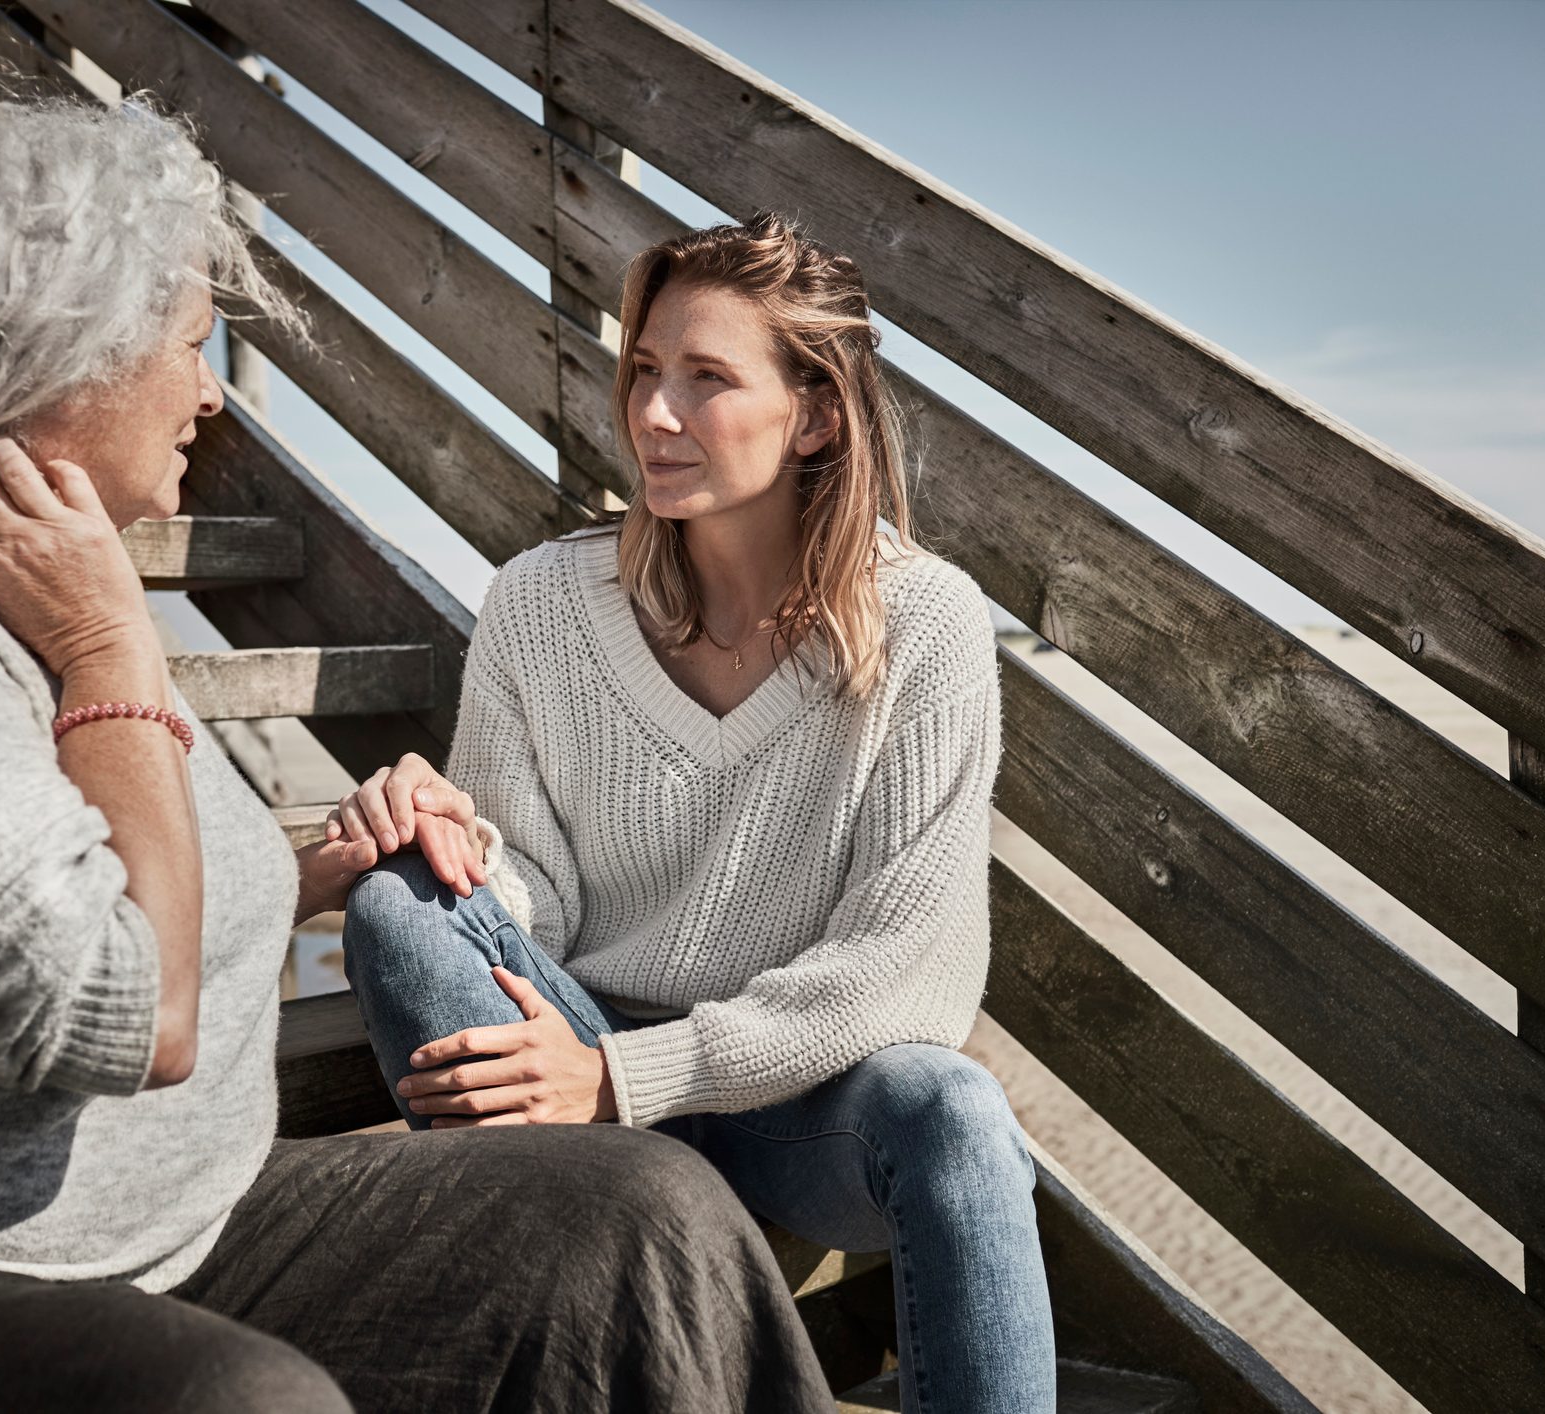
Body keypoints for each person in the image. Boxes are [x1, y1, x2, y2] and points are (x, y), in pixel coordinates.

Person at [0, 55, 828, 1414]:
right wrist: (110, 650)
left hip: (182, 1240)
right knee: (241, 1403)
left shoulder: (37, 559)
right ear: (59, 352)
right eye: (187, 346)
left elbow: (113, 858)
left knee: (643, 1218)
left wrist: (320, 865)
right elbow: (122, 1010)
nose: (210, 397)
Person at [337, 215, 1058, 1413]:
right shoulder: (541, 602)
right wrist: (446, 838)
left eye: (707, 378)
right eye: (643, 373)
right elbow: (534, 902)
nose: (654, 414)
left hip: (795, 1106)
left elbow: (905, 976)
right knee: (398, 905)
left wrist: (627, 1075)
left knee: (957, 1109)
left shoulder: (926, 624)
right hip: (573, 1069)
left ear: (816, 413)